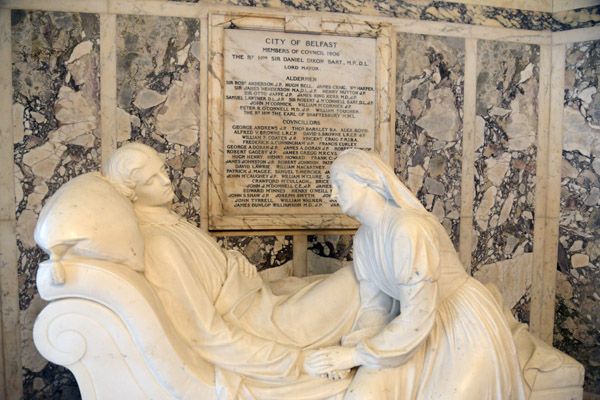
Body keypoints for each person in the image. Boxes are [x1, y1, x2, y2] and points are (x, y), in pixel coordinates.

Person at [103, 142, 360, 400]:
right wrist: (297, 361)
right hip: (260, 327)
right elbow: (207, 333)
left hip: (263, 300)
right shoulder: (159, 245)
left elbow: (211, 265)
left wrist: (236, 262)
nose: (165, 180)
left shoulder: (170, 222)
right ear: (132, 193)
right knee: (357, 282)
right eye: (151, 180)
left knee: (348, 281)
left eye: (162, 170)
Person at [306, 149, 526, 399]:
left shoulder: (408, 228)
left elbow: (419, 314)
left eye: (338, 184)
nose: (333, 194)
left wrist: (355, 355)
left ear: (368, 181)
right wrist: (349, 354)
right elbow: (375, 309)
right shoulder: (364, 238)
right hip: (407, 333)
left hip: (459, 326)